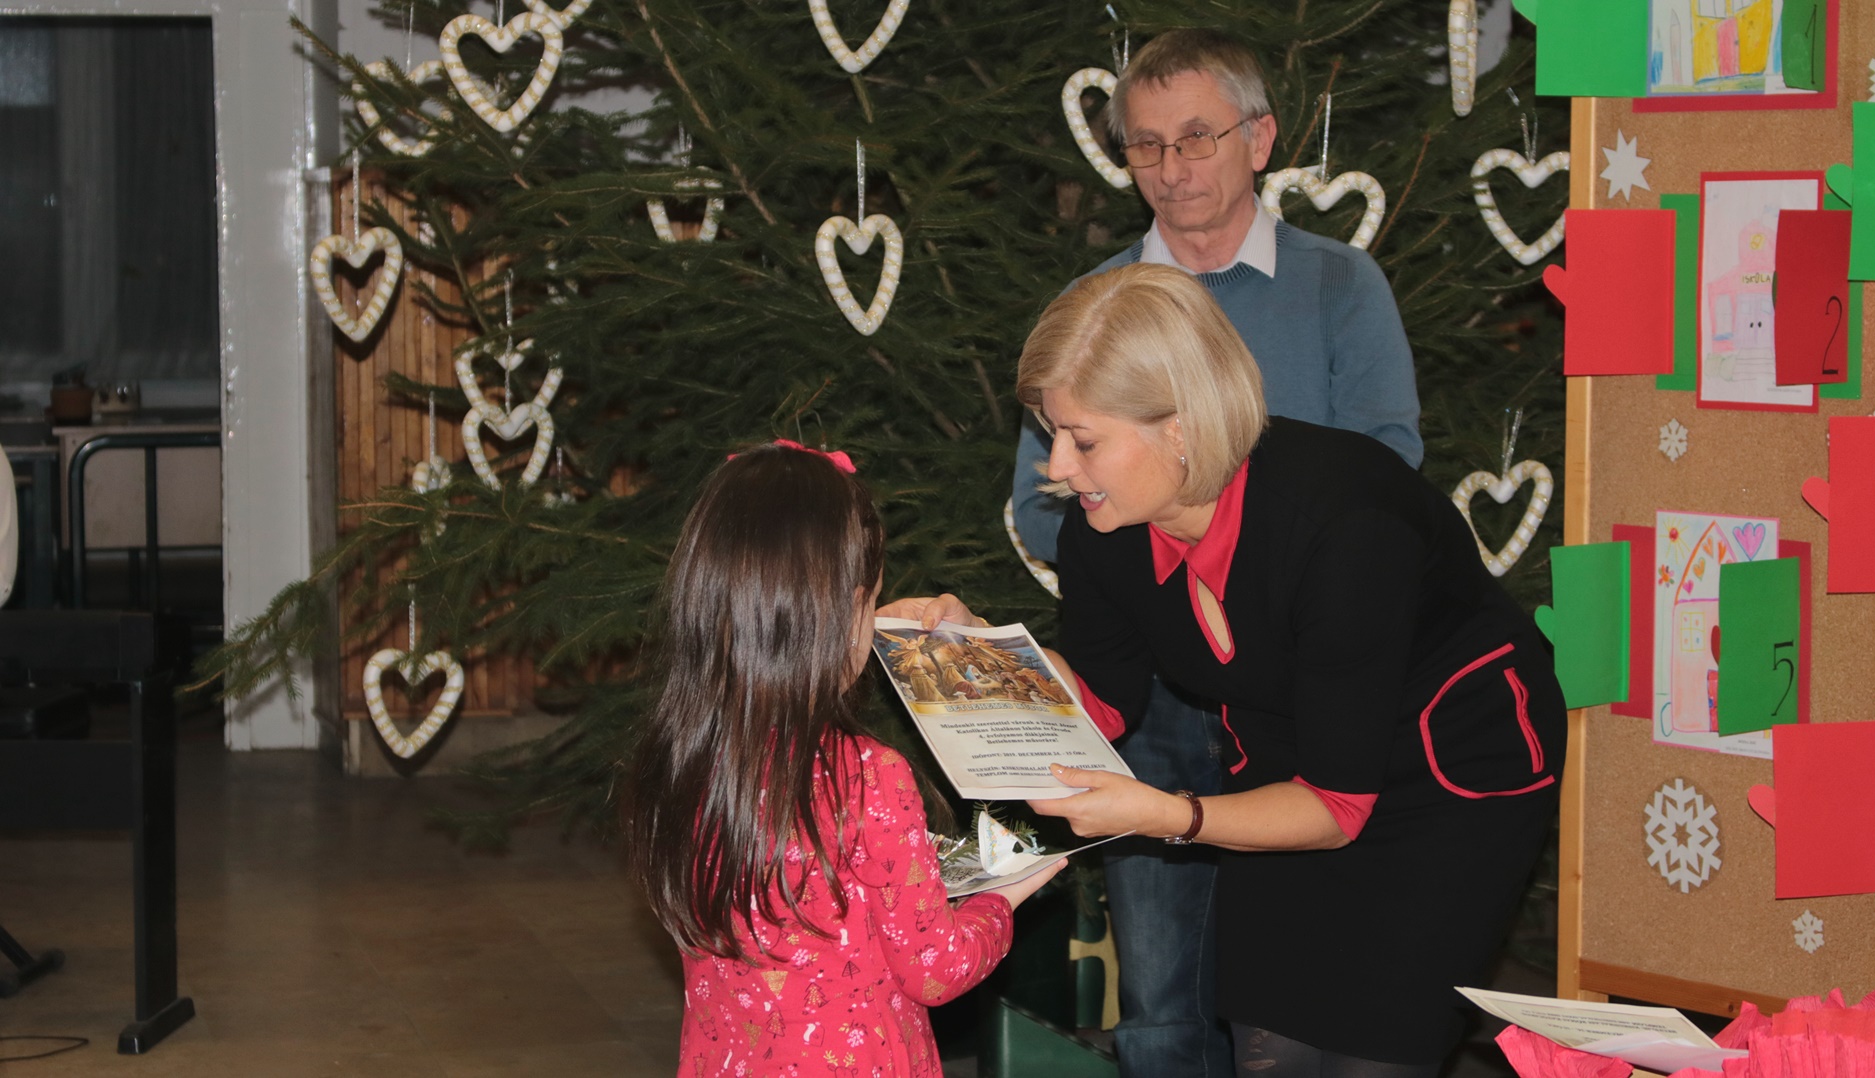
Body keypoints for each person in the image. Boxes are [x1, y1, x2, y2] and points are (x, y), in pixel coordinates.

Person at [954, 262, 1562, 1076]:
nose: (1057, 466)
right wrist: (975, 656)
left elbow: (1337, 807)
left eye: (1083, 439)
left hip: (1448, 774)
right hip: (1289, 763)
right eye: (1051, 432)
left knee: (1375, 1048)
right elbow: (1101, 699)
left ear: (1179, 428)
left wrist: (1169, 815)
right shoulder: (1106, 528)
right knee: (1271, 1038)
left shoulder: (1346, 523)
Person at [1008, 28, 1423, 1076]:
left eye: (1196, 137)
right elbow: (1043, 498)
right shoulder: (1095, 306)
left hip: (1300, 685)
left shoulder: (1338, 286)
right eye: (1146, 145)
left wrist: (1249, 560)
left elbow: (1385, 476)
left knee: (1289, 979)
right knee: (1159, 985)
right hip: (1148, 677)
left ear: (1260, 138)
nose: (1172, 167)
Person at [624, 441, 1065, 1076]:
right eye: (870, 602)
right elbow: (935, 969)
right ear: (847, 609)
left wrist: (856, 626)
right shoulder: (868, 775)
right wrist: (1000, 900)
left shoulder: (683, 756)